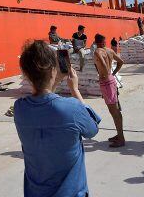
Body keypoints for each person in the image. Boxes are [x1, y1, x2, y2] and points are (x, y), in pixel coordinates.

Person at [13, 40, 101, 197]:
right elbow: (92, 129)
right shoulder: (72, 108)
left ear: (26, 74)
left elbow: (43, 98)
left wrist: (53, 80)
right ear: (53, 70)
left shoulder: (20, 109)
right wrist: (75, 90)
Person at [93, 33, 125, 148]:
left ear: (96, 42)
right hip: (111, 81)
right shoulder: (109, 51)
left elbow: (102, 62)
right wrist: (113, 73)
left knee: (114, 111)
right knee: (115, 110)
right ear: (104, 41)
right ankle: (119, 134)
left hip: (106, 82)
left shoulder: (97, 51)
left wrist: (105, 74)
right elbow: (121, 61)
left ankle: (121, 139)